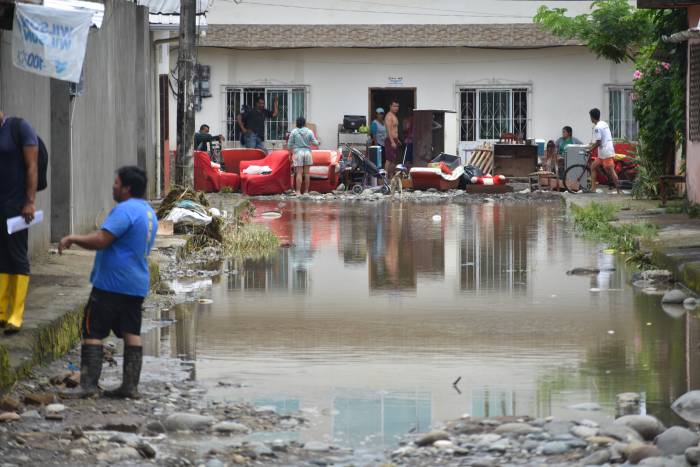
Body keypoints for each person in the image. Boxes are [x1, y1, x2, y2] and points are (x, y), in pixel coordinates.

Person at [58, 166, 157, 399]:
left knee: (93, 330)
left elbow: (102, 240)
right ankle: (130, 387)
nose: (113, 186)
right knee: (131, 331)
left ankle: (89, 386)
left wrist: (73, 237)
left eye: (116, 183)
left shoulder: (125, 210)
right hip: (136, 284)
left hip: (111, 283)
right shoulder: (148, 211)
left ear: (126, 188)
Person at [0, 111, 38, 335]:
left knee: (17, 255)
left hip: (17, 206)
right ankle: (2, 312)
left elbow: (32, 167)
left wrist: (30, 201)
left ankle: (16, 314)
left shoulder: (19, 128)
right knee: (2, 255)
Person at [588, 108, 620, 194]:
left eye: (590, 117)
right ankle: (593, 189)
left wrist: (590, 149)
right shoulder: (603, 123)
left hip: (605, 151)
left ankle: (618, 191)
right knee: (593, 167)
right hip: (604, 151)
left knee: (611, 171)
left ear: (592, 117)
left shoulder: (597, 127)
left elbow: (598, 142)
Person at [288, 117, 320, 195]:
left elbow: (289, 145)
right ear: (305, 123)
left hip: (298, 153)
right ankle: (306, 191)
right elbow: (315, 143)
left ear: (297, 123)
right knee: (307, 173)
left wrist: (290, 153)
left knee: (299, 173)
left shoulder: (294, 132)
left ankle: (298, 191)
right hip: (307, 153)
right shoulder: (309, 131)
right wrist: (318, 142)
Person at [384, 100, 400, 176]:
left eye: (397, 106)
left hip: (395, 140)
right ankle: (385, 177)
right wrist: (392, 141)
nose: (396, 108)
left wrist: (397, 140)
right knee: (389, 159)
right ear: (390, 106)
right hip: (390, 140)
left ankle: (391, 176)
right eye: (394, 106)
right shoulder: (389, 116)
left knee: (393, 159)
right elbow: (389, 130)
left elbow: (394, 129)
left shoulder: (394, 116)